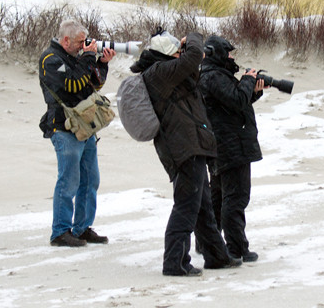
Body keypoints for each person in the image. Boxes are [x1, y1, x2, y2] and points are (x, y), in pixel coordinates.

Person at [130, 30, 242, 276]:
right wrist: (193, 36)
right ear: (167, 54)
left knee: (202, 207)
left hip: (189, 146)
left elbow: (191, 66)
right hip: (183, 148)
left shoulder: (165, 73)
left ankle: (217, 256)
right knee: (186, 206)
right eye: (177, 52)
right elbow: (193, 58)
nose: (181, 55)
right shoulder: (159, 72)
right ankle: (174, 263)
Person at [38, 19, 116, 247]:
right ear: (66, 40)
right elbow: (71, 84)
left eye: (85, 42)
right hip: (64, 127)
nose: (84, 46)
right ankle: (60, 232)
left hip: (84, 126)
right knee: (69, 180)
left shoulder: (76, 58)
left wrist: (101, 63)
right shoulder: (50, 59)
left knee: (90, 179)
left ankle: (82, 228)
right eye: (80, 42)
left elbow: (93, 85)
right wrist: (89, 57)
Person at [198, 35, 265, 263]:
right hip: (230, 145)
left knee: (219, 197)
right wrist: (247, 80)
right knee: (234, 198)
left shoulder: (211, 75)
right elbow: (236, 100)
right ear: (217, 54)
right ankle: (236, 248)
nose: (232, 56)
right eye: (228, 53)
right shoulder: (214, 76)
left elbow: (230, 105)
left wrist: (253, 90)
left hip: (221, 143)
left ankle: (212, 245)